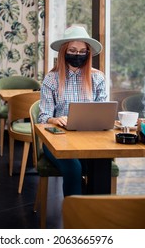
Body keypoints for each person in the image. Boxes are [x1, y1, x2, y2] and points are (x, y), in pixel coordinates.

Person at [38, 25, 106, 196]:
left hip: (89, 139)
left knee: (99, 165)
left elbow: (104, 111)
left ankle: (98, 211)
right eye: (73, 50)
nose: (77, 55)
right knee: (75, 168)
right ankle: (74, 213)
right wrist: (53, 119)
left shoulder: (97, 77)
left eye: (82, 51)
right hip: (57, 141)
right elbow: (43, 116)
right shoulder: (51, 79)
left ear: (88, 53)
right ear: (64, 51)